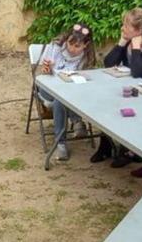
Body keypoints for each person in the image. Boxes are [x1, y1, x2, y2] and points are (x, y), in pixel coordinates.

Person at [93, 9, 142, 169]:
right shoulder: (127, 42)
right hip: (134, 90)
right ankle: (106, 146)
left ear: (139, 30)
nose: (122, 28)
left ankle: (128, 151)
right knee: (105, 105)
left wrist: (135, 47)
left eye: (126, 25)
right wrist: (121, 43)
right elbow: (108, 63)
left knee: (122, 109)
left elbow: (138, 71)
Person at [38, 23, 98, 161]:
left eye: (77, 46)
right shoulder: (55, 47)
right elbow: (40, 74)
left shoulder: (87, 58)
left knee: (61, 100)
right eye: (70, 43)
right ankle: (77, 121)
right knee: (61, 97)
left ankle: (61, 143)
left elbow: (83, 83)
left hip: (71, 94)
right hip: (48, 89)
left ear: (86, 45)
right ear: (67, 39)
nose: (72, 48)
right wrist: (46, 70)